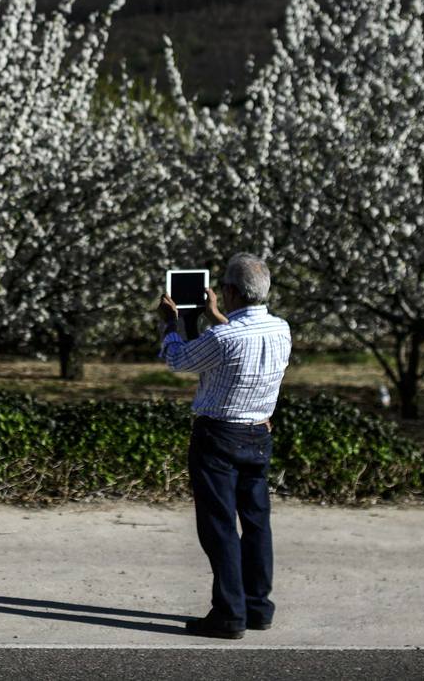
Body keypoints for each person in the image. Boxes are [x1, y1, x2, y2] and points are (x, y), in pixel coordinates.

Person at [157, 253, 291, 640]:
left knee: (220, 526)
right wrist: (216, 316)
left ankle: (229, 613)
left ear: (230, 291)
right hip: (259, 433)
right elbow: (243, 342)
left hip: (218, 436)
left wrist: (172, 323)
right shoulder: (281, 329)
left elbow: (178, 359)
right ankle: (257, 607)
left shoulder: (223, 337)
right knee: (256, 522)